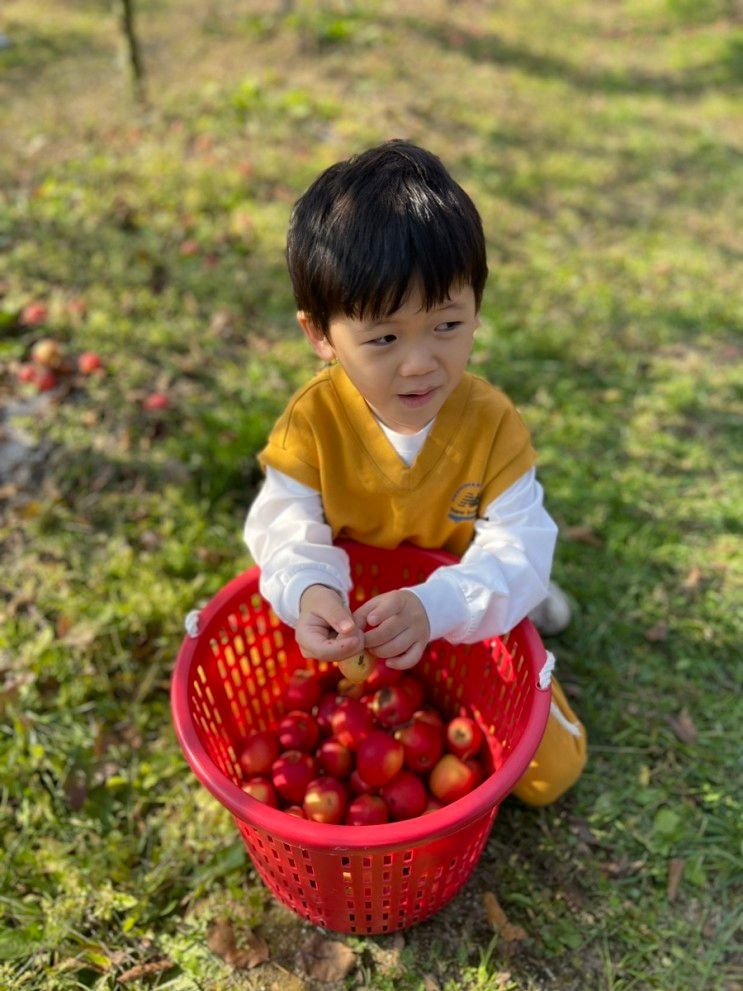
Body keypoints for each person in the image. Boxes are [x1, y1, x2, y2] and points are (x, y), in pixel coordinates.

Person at [244, 140, 586, 806]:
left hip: (452, 607)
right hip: (362, 618)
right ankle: (517, 596)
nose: (420, 363)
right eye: (383, 338)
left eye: (447, 324)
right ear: (319, 334)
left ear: (476, 308)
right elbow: (283, 526)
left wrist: (442, 605)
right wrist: (311, 592)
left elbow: (518, 535)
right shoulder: (314, 423)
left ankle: (522, 600)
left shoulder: (488, 423)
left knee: (550, 774)